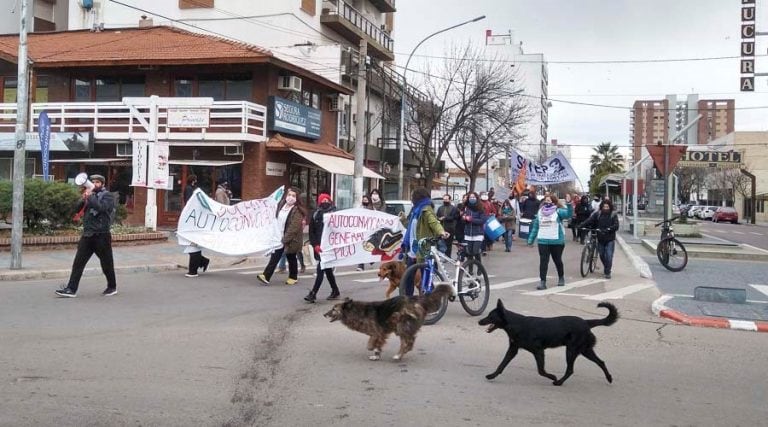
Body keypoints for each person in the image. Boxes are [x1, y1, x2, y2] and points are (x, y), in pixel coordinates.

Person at [56, 174, 118, 297]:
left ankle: (112, 287)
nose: (94, 184)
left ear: (102, 184)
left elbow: (101, 208)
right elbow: (76, 209)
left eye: (97, 182)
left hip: (102, 235)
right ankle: (71, 289)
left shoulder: (108, 196)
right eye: (93, 182)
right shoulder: (90, 196)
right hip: (88, 234)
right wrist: (83, 199)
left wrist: (91, 197)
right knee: (78, 262)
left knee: (106, 263)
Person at [401, 187, 450, 296]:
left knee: (426, 278)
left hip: (423, 249)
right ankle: (407, 301)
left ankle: (432, 302)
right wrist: (403, 220)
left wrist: (441, 232)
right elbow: (411, 228)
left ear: (418, 197)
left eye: (412, 196)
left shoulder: (426, 210)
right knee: (408, 278)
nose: (411, 199)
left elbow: (434, 223)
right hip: (412, 250)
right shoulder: (415, 211)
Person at [257, 187, 306, 286]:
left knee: (291, 257)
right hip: (278, 236)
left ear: (297, 198)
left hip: (291, 239)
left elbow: (294, 227)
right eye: (289, 195)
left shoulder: (298, 210)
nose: (290, 197)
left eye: (293, 196)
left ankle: (293, 277)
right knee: (275, 256)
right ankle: (266, 276)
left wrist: (285, 239)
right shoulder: (281, 205)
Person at [527, 193, 573, 290]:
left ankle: (561, 277)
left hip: (556, 241)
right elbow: (536, 226)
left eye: (549, 200)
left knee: (557, 260)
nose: (547, 202)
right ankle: (542, 282)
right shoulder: (540, 212)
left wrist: (569, 203)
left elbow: (569, 214)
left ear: (554, 202)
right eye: (545, 200)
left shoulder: (558, 211)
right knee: (543, 262)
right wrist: (530, 240)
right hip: (543, 240)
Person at [304, 193, 341, 302]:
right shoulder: (316, 215)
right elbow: (312, 232)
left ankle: (313, 293)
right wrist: (315, 245)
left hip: (330, 247)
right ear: (319, 202)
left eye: (327, 200)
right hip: (319, 247)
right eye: (322, 200)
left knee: (321, 269)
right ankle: (335, 290)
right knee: (327, 269)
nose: (325, 202)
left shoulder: (335, 214)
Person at [578, 199, 619, 279]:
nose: (605, 208)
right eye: (604, 206)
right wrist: (581, 225)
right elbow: (589, 220)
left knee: (609, 256)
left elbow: (616, 226)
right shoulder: (598, 214)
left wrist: (608, 229)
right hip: (600, 238)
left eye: (607, 207)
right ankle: (606, 267)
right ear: (601, 206)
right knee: (601, 254)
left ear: (610, 207)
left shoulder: (613, 215)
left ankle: (607, 272)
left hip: (610, 239)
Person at [461, 191, 486, 264]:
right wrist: (464, 218)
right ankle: (470, 270)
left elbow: (482, 220)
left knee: (475, 251)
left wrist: (471, 219)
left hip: (478, 233)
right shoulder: (466, 208)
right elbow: (463, 221)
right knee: (469, 252)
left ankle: (479, 266)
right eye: (470, 197)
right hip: (468, 233)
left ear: (477, 198)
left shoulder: (481, 208)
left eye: (473, 197)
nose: (472, 199)